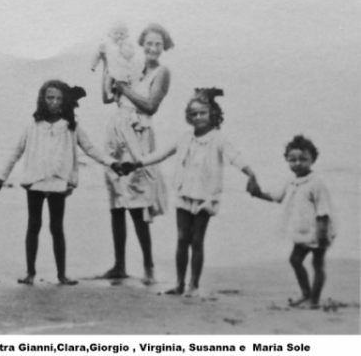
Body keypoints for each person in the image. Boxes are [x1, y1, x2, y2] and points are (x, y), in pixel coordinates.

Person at [121, 88, 261, 297]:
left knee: (197, 241)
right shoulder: (185, 137)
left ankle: (193, 285)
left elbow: (235, 158)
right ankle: (179, 283)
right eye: (193, 114)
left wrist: (251, 175)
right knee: (181, 239)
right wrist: (136, 164)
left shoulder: (218, 139)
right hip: (184, 194)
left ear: (212, 114)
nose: (197, 117)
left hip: (206, 196)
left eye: (202, 113)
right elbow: (161, 154)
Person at [0, 80, 120, 286]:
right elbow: (15, 153)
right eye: (50, 97)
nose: (54, 102)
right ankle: (30, 273)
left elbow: (91, 149)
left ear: (65, 101)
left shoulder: (71, 126)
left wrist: (113, 163)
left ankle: (62, 275)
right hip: (34, 182)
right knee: (33, 226)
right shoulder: (32, 125)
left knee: (57, 227)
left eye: (59, 98)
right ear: (42, 99)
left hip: (59, 183)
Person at [101, 23, 174, 285]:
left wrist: (123, 88)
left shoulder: (162, 72)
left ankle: (148, 265)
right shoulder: (133, 67)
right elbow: (107, 97)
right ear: (142, 45)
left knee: (138, 200)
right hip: (117, 135)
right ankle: (119, 264)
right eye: (149, 43)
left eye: (158, 44)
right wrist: (108, 64)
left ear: (164, 48)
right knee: (116, 201)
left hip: (140, 135)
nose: (153, 48)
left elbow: (151, 106)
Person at [249, 135, 337, 309]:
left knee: (317, 264)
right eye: (292, 160)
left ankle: (314, 300)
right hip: (303, 233)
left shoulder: (316, 183)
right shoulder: (290, 180)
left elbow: (323, 210)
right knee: (295, 260)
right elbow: (276, 197)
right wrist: (257, 193)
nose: (297, 163)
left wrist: (321, 234)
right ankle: (306, 292)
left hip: (319, 231)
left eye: (303, 159)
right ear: (287, 160)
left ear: (313, 159)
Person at [90, 22, 143, 101]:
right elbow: (97, 55)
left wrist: (122, 46)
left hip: (123, 70)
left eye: (122, 34)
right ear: (110, 34)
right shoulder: (106, 45)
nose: (118, 36)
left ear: (126, 36)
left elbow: (130, 54)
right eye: (115, 33)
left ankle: (122, 95)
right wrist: (93, 65)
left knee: (125, 83)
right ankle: (110, 93)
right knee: (108, 82)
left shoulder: (127, 45)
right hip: (111, 69)